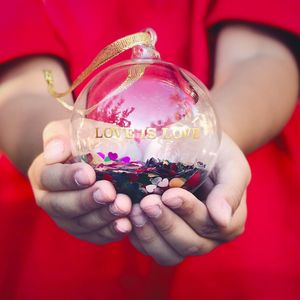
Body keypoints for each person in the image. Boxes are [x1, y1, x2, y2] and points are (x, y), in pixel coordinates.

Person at [0, 0, 299, 299]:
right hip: (58, 266)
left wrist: (213, 135)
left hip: (240, 268)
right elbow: (20, 89)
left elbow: (261, 57)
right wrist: (57, 149)